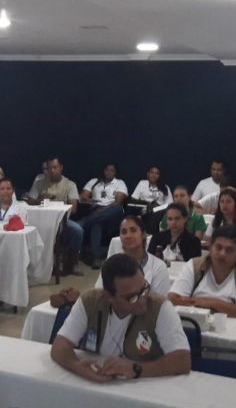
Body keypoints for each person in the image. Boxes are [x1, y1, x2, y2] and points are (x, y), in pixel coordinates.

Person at [50, 254, 191, 383]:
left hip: (144, 389)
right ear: (108, 297)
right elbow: (60, 346)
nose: (142, 299)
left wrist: (136, 369)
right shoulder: (90, 302)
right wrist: (76, 366)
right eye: (132, 297)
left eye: (144, 289)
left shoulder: (160, 308)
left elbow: (182, 360)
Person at [168, 225, 236, 321]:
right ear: (210, 248)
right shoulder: (194, 265)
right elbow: (173, 299)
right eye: (218, 247)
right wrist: (229, 308)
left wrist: (212, 303)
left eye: (229, 250)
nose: (222, 254)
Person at [27, 157, 83, 275]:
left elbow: (74, 208)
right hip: (41, 220)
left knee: (77, 230)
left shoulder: (70, 184)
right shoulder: (39, 183)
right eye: (49, 168)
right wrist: (40, 200)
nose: (52, 170)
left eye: (55, 167)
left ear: (61, 168)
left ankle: (73, 262)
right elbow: (29, 201)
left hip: (62, 219)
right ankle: (39, 263)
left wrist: (58, 206)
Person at [96, 216, 171, 296]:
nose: (128, 236)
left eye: (133, 230)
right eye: (124, 232)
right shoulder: (111, 265)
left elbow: (159, 301)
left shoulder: (158, 267)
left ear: (143, 235)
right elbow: (99, 294)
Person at [79, 163, 128, 266]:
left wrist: (103, 210)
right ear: (103, 171)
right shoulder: (94, 181)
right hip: (96, 210)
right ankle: (96, 257)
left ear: (115, 173)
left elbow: (118, 202)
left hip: (112, 213)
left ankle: (84, 223)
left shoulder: (119, 183)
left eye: (112, 170)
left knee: (117, 208)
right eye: (107, 170)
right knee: (97, 224)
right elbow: (83, 196)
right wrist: (91, 201)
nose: (109, 172)